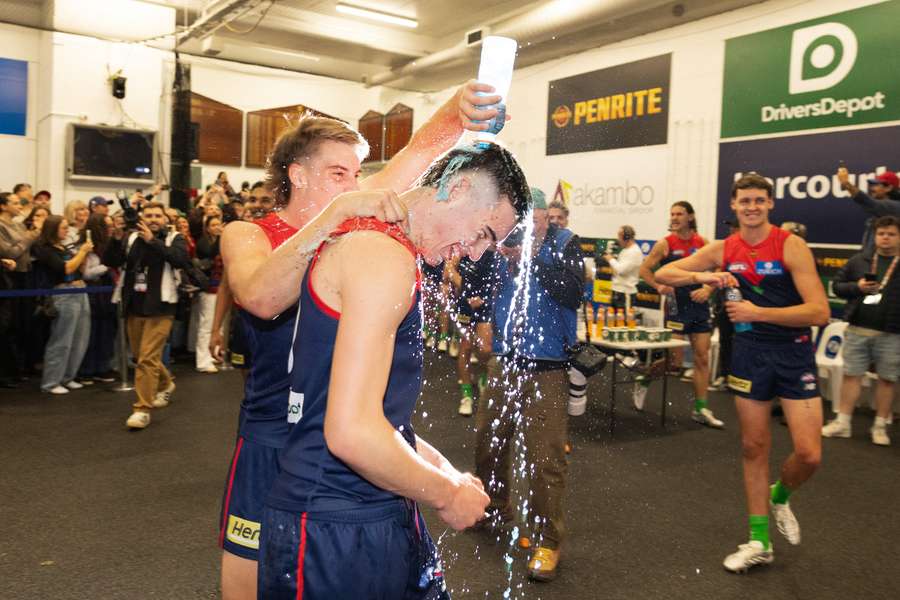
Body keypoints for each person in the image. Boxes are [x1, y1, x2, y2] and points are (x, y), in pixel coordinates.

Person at [217, 81, 510, 600]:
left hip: (333, 434)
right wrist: (335, 214)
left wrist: (458, 108)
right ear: (298, 175)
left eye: (357, 174)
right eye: (339, 174)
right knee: (246, 586)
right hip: (271, 436)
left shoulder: (353, 229)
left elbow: (416, 154)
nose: (355, 185)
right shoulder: (250, 233)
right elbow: (261, 297)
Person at [656, 173, 830, 573]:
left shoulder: (790, 245)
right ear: (734, 206)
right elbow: (665, 274)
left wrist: (758, 312)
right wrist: (703, 276)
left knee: (809, 454)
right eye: (745, 201)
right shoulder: (725, 247)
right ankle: (759, 540)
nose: (752, 207)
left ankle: (779, 494)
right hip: (750, 356)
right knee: (754, 447)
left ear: (770, 204)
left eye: (759, 200)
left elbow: (820, 311)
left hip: (793, 354)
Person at [474, 186, 584, 582]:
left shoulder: (566, 244)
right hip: (506, 362)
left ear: (547, 217)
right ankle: (494, 506)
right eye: (523, 218)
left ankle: (548, 541)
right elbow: (484, 285)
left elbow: (572, 294)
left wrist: (532, 258)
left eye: (535, 218)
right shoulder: (503, 244)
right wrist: (483, 318)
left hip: (547, 368)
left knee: (544, 459)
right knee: (488, 441)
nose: (529, 225)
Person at [103, 202, 193, 429]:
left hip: (162, 306)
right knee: (141, 357)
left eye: (157, 215)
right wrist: (116, 237)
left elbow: (180, 259)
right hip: (135, 304)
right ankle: (166, 383)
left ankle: (142, 409)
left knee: (146, 359)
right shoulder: (132, 238)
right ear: (142, 217)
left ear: (165, 219)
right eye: (149, 215)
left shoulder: (174, 238)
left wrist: (153, 240)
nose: (153, 219)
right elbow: (111, 261)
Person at [638, 201, 724, 427]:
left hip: (699, 306)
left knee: (702, 357)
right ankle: (645, 377)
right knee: (674, 362)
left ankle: (701, 408)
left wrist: (708, 289)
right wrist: (659, 286)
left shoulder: (702, 242)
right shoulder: (665, 244)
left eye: (679, 214)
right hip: (676, 307)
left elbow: (718, 268)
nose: (674, 218)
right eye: (672, 214)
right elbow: (644, 269)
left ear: (690, 217)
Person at [823, 215, 900, 446]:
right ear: (875, 236)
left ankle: (880, 426)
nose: (885, 238)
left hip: (892, 333)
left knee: (887, 380)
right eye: (881, 233)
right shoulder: (860, 260)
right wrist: (856, 287)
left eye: (891, 234)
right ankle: (843, 423)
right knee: (851, 376)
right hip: (857, 329)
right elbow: (837, 286)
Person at [31, 215, 93, 394]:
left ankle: (68, 377)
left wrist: (84, 254)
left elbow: (79, 268)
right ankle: (51, 382)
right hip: (63, 293)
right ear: (53, 229)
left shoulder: (63, 246)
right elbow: (65, 268)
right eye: (63, 228)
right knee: (62, 339)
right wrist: (82, 252)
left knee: (80, 338)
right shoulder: (44, 248)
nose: (67, 231)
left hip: (80, 290)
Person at [446, 248, 496, 416]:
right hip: (465, 304)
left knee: (485, 349)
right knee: (466, 347)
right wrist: (467, 291)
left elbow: (500, 279)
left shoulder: (494, 248)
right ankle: (466, 394)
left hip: (486, 302)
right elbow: (448, 272)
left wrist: (484, 297)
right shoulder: (462, 248)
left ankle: (483, 374)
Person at [79, 213, 118, 383]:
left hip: (107, 293)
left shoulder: (108, 245)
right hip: (93, 293)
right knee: (91, 333)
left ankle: (102, 368)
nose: (110, 229)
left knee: (106, 332)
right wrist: (107, 266)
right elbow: (86, 273)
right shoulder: (88, 246)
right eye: (106, 226)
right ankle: (87, 370)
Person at [837, 168, 900, 254]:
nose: (871, 188)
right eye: (872, 185)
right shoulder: (881, 211)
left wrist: (846, 183)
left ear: (888, 188)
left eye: (876, 185)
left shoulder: (894, 206)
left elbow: (866, 201)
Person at [194, 214, 224, 373]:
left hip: (221, 288)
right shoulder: (202, 242)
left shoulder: (222, 241)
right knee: (207, 325)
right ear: (207, 228)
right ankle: (202, 360)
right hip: (208, 288)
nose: (217, 227)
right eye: (213, 225)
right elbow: (210, 253)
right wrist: (220, 237)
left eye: (219, 224)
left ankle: (214, 354)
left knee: (219, 325)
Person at [604, 225, 642, 309]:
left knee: (624, 317)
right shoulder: (625, 250)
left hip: (625, 293)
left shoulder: (634, 252)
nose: (618, 239)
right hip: (618, 291)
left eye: (619, 236)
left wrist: (610, 259)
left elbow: (621, 270)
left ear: (626, 237)